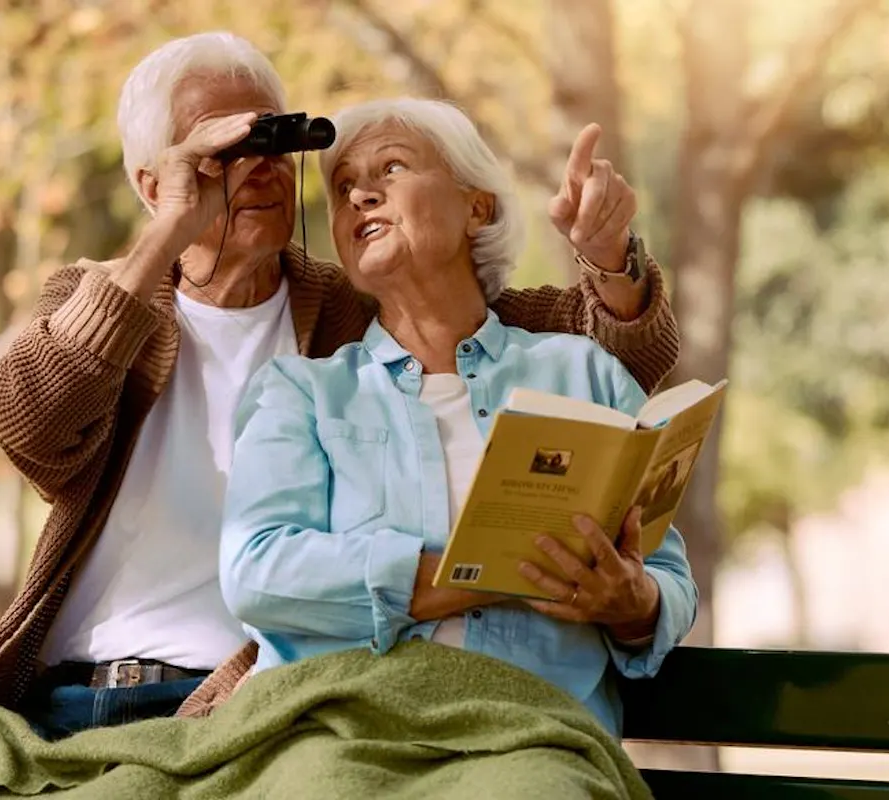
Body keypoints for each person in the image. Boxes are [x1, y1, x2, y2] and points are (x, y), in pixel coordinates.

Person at [0, 32, 679, 738]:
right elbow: (31, 425)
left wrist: (609, 258)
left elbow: (600, 347)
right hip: (76, 694)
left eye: (274, 140)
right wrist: (167, 233)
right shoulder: (98, 300)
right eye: (225, 150)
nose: (260, 168)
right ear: (151, 182)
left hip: (243, 703)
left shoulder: (356, 305)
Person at [212, 97, 697, 735]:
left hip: (533, 731)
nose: (360, 195)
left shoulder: (581, 374)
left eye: (391, 169)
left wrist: (633, 603)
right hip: (345, 727)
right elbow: (258, 572)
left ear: (478, 206)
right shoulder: (300, 391)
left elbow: (668, 577)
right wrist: (479, 575)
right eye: (343, 187)